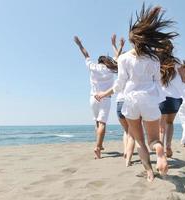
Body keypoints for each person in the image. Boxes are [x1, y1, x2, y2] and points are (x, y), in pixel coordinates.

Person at [95, 5, 174, 181]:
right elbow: (157, 81)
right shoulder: (154, 59)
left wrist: (105, 93)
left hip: (130, 100)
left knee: (139, 141)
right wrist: (159, 99)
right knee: (154, 139)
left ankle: (149, 172)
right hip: (150, 100)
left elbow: (120, 83)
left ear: (132, 41)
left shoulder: (123, 58)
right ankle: (159, 151)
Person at [73, 36, 117, 159]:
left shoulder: (93, 66)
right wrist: (115, 44)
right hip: (106, 97)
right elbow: (118, 57)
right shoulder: (111, 69)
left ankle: (100, 144)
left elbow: (86, 55)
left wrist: (79, 45)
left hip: (93, 98)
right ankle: (97, 147)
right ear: (106, 61)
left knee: (97, 122)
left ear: (99, 62)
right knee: (102, 123)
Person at [157, 39, 185, 158]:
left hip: (161, 97)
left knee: (161, 127)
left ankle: (160, 151)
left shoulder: (156, 62)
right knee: (170, 123)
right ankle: (168, 146)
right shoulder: (177, 62)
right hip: (175, 98)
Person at [111, 34, 135, 167]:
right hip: (130, 102)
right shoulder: (133, 70)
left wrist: (116, 46)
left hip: (119, 103)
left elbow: (118, 58)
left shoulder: (119, 68)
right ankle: (128, 158)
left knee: (126, 131)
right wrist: (118, 46)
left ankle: (125, 152)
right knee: (132, 132)